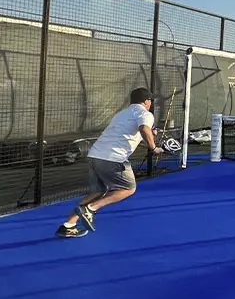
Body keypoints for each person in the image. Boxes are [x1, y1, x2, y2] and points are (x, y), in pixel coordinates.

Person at [57, 88, 161, 238]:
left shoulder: (122, 114)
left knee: (97, 192)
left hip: (95, 156)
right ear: (146, 101)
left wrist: (150, 136)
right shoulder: (145, 114)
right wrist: (154, 147)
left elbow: (135, 134)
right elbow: (144, 129)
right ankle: (91, 209)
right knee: (128, 188)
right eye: (150, 100)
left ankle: (68, 225)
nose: (151, 103)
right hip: (113, 158)